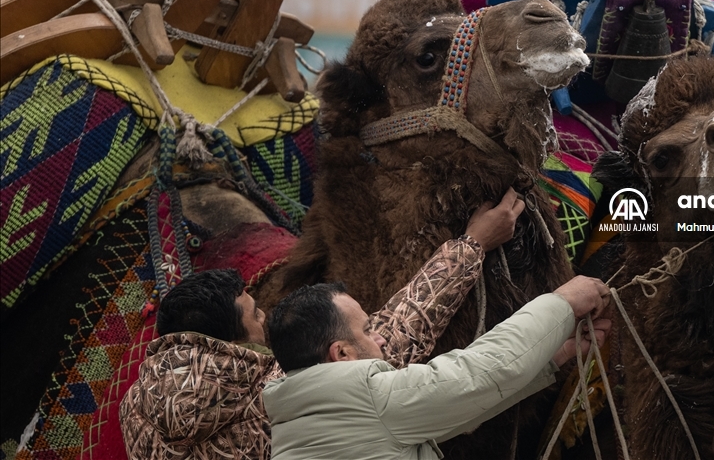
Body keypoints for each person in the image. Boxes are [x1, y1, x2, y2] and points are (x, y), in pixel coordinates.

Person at [119, 189, 523, 460]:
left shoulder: (136, 408)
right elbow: (394, 337)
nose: (266, 319)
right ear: (227, 342)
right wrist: (472, 245)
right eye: (255, 315)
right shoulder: (263, 399)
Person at [264, 274, 612, 460]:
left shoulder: (295, 425)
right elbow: (479, 373)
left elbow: (459, 405)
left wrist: (554, 357)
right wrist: (562, 303)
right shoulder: (369, 398)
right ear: (340, 354)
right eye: (368, 330)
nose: (381, 340)